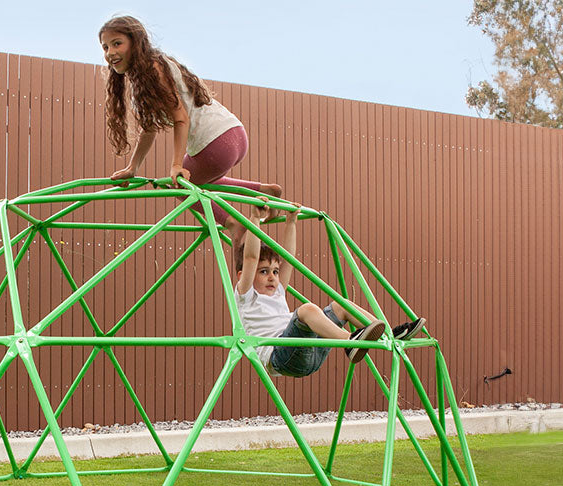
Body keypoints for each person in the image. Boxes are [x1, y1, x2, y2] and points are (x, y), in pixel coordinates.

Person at [98, 15, 286, 215]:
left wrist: (177, 165)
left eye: (117, 44)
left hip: (215, 144)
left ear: (136, 43)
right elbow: (149, 128)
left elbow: (180, 117)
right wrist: (132, 167)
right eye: (105, 47)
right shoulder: (144, 76)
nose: (111, 52)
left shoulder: (154, 68)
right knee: (200, 181)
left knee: (180, 187)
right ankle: (264, 190)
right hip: (233, 134)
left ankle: (235, 226)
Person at [231, 214, 424, 377]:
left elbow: (288, 258)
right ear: (243, 276)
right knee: (307, 310)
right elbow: (251, 258)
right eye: (264, 272)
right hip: (282, 357)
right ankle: (350, 342)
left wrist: (291, 223)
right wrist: (255, 218)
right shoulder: (245, 296)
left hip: (309, 349)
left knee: (341, 305)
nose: (272, 277)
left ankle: (389, 333)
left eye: (274, 272)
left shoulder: (278, 292)